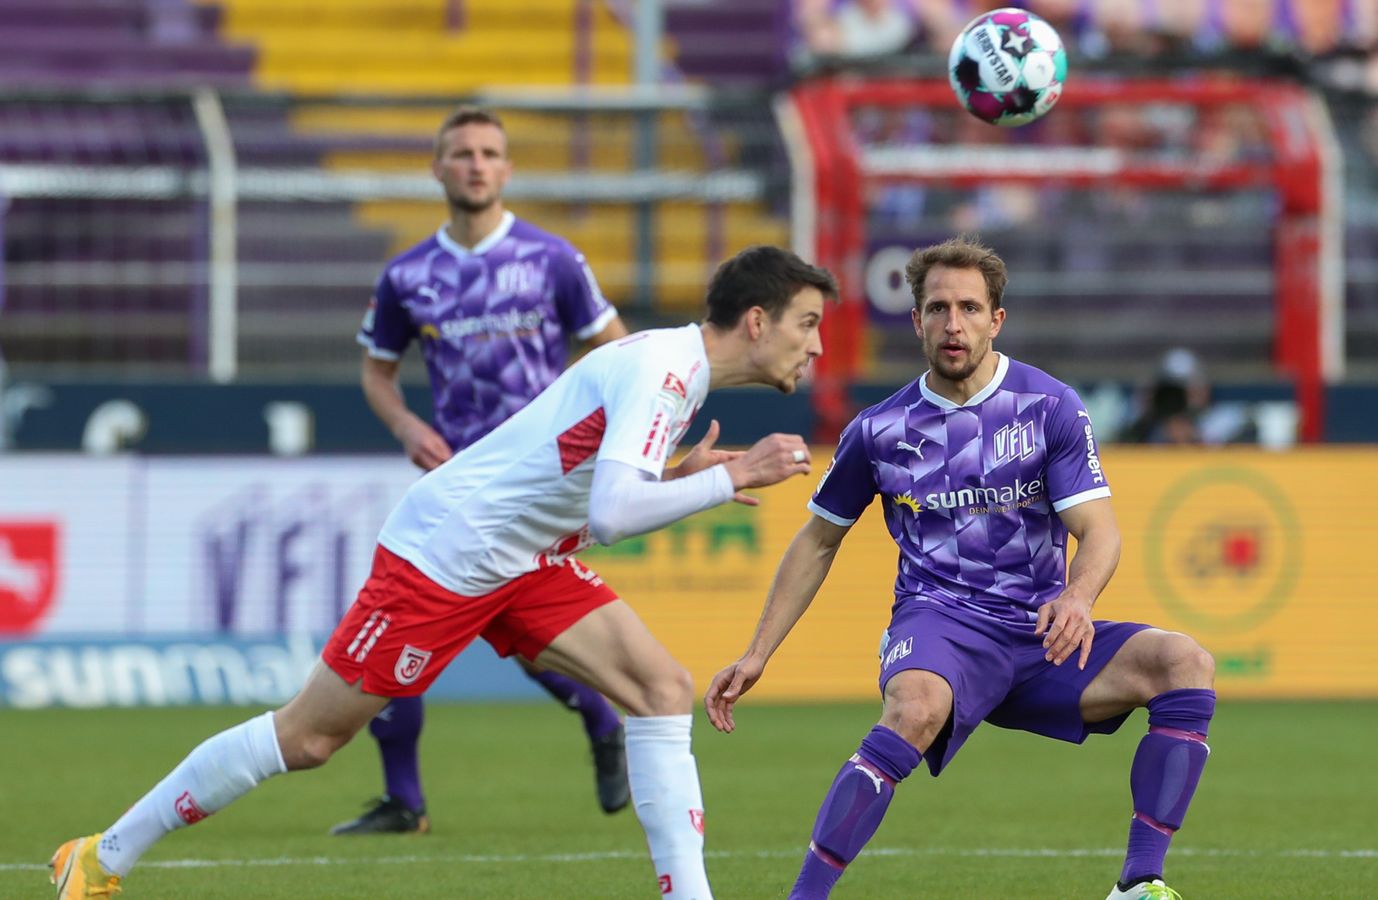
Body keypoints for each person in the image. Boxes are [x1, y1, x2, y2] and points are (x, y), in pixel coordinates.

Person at [49, 244, 836, 900]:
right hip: (447, 556)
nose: (819, 345)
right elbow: (611, 517)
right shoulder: (667, 370)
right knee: (310, 737)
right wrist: (731, 477)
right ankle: (100, 856)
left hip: (523, 556)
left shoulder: (670, 364)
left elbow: (595, 487)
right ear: (758, 320)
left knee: (660, 689)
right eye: (808, 324)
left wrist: (678, 474)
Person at [705, 237, 1216, 900]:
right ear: (915, 320)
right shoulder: (878, 430)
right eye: (938, 308)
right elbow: (817, 542)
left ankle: (1138, 884)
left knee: (1185, 663)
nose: (954, 324)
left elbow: (1100, 531)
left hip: (1041, 635)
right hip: (940, 629)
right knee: (914, 706)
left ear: (996, 319)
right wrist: (757, 652)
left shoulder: (1049, 406)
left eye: (970, 308)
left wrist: (1080, 596)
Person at [340, 105, 633, 834]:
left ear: (506, 169)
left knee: (524, 640)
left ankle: (599, 719)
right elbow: (377, 373)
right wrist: (408, 424)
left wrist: (591, 438)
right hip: (457, 481)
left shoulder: (552, 260)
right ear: (438, 169)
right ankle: (405, 800)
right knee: (402, 619)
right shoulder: (409, 275)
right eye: (462, 152)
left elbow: (617, 351)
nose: (476, 163)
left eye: (489, 152)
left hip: (538, 485)